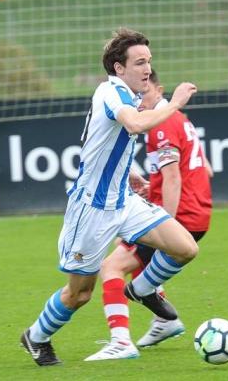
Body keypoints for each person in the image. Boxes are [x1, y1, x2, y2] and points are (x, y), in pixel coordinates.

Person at [20, 28, 199, 366]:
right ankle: (36, 336)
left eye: (149, 61)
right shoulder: (111, 91)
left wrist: (128, 171)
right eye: (139, 62)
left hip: (123, 201)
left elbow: (100, 139)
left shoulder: (129, 94)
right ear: (119, 68)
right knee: (80, 294)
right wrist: (174, 104)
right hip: (91, 209)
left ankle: (142, 290)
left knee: (185, 247)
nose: (147, 69)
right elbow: (133, 125)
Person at [85, 70, 213, 361]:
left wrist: (166, 221)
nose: (139, 101)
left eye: (144, 94)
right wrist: (151, 186)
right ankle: (164, 321)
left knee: (111, 267)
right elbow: (206, 169)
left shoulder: (162, 124)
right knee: (133, 259)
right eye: (136, 96)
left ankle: (120, 341)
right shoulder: (180, 121)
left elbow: (173, 179)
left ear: (160, 89)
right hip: (199, 212)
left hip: (182, 215)